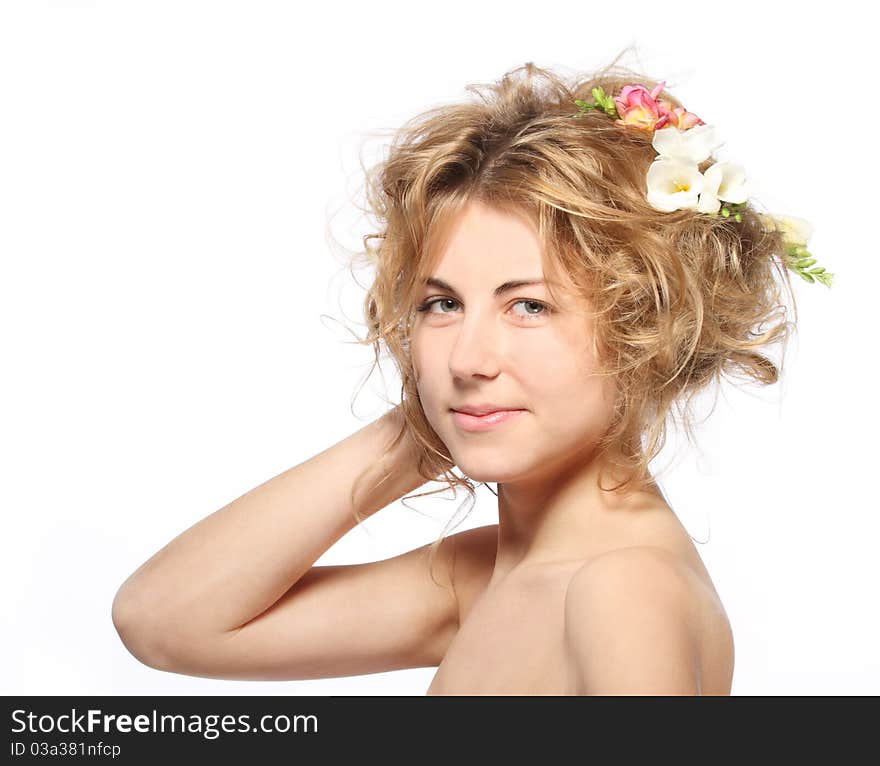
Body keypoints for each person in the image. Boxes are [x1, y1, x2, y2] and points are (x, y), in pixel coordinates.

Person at [111, 51, 831, 695]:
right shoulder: (485, 576)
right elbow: (165, 623)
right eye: (442, 303)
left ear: (646, 327)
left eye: (529, 305)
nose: (468, 359)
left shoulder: (622, 588)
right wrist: (423, 429)